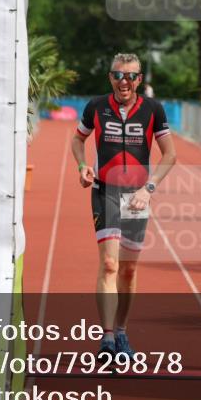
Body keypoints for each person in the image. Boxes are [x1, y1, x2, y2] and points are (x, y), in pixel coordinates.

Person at [71, 53, 177, 360]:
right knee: (109, 265)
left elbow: (169, 154)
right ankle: (106, 339)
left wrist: (149, 188)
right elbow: (78, 141)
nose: (124, 82)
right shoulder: (96, 107)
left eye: (130, 76)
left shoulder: (153, 110)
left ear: (139, 80)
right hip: (105, 192)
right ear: (110, 78)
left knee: (128, 272)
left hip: (137, 197)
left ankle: (121, 332)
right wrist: (82, 166)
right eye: (118, 75)